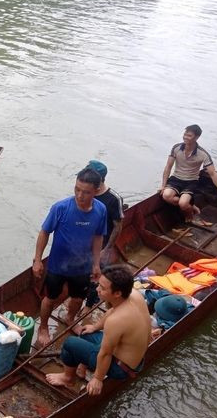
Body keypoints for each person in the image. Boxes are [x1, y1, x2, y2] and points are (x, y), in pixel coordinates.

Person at [45, 265, 151, 395]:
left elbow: (105, 353)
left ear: (117, 293)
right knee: (85, 332)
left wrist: (98, 379)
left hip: (121, 367)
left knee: (70, 343)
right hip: (129, 355)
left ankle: (67, 378)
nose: (97, 289)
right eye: (99, 284)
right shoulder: (134, 296)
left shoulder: (117, 321)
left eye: (103, 288)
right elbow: (112, 310)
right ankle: (82, 368)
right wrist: (95, 327)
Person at [33, 168, 107, 347]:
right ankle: (43, 328)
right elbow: (44, 232)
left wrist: (96, 264)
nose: (80, 195)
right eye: (77, 189)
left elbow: (98, 237)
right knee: (50, 297)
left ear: (96, 191)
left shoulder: (101, 210)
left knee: (77, 298)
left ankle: (70, 318)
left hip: (82, 266)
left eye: (86, 192)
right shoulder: (61, 208)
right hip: (58, 265)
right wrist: (37, 260)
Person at [80, 160, 124, 315]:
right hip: (83, 243)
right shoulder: (84, 192)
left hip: (101, 245)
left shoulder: (113, 199)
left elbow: (118, 226)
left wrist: (107, 249)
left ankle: (88, 305)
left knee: (95, 276)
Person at [160, 124, 217, 221]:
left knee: (183, 204)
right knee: (166, 196)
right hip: (176, 179)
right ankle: (192, 207)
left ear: (197, 137)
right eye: (185, 134)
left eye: (189, 135)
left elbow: (213, 173)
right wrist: (163, 186)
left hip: (191, 181)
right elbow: (168, 167)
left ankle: (189, 215)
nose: (185, 137)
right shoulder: (176, 148)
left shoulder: (203, 154)